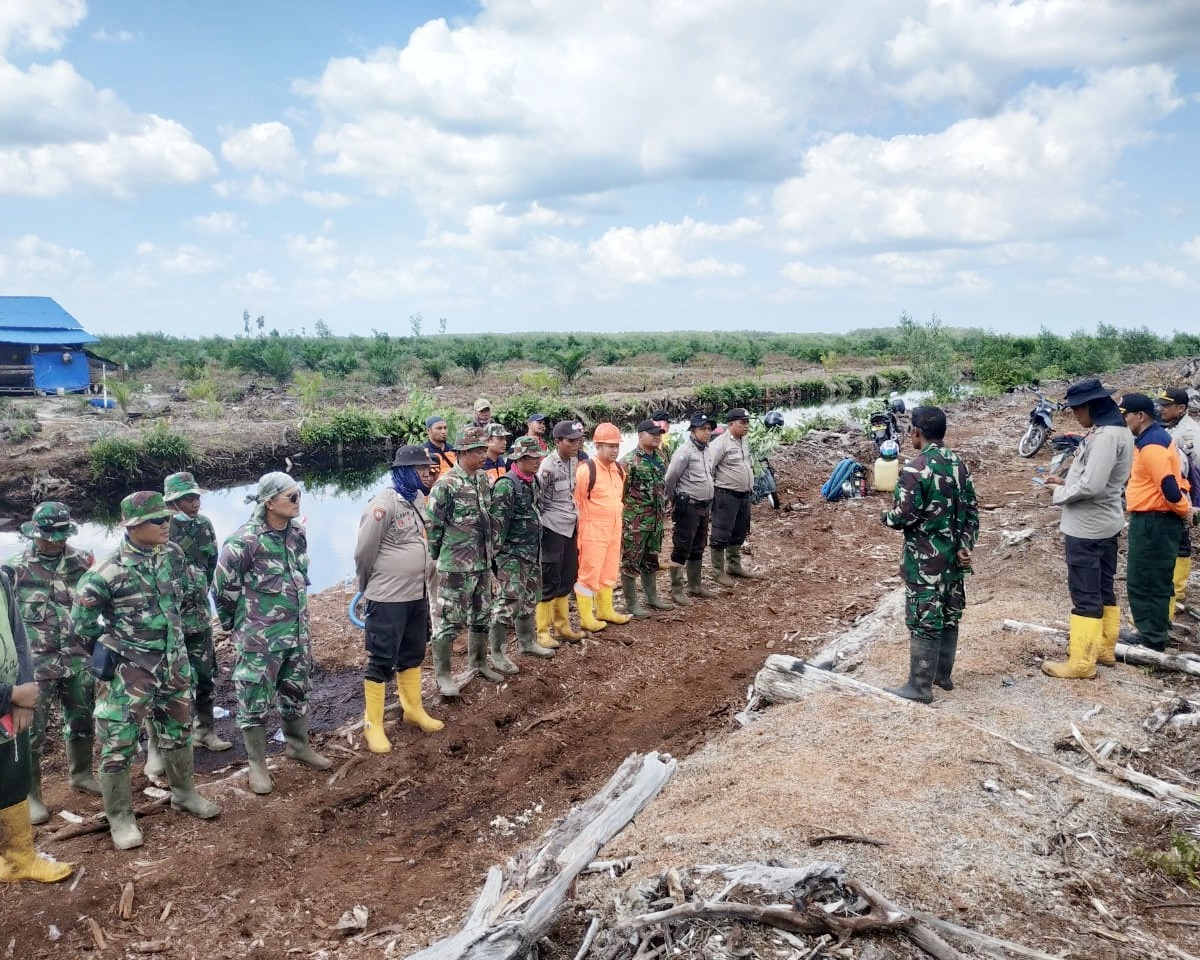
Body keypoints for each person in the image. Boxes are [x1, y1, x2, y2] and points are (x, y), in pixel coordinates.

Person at [74, 492, 219, 849]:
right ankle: (121, 818)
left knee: (178, 730)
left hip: (173, 664)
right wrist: (115, 652)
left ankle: (184, 793)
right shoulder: (106, 574)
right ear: (134, 526)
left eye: (167, 518)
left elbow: (184, 596)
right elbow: (82, 626)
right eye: (158, 521)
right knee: (119, 742)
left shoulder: (173, 556)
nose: (166, 524)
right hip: (130, 672)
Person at [214, 473, 330, 797]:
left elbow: (299, 577)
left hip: (296, 632)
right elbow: (222, 589)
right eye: (291, 497)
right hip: (259, 638)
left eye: (299, 494)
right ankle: (257, 764)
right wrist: (238, 625)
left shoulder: (297, 533)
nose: (298, 501)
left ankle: (297, 745)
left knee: (297, 689)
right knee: (254, 698)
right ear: (269, 502)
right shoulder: (243, 542)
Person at [3, 503, 97, 825]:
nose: (55, 542)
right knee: (31, 732)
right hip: (36, 666)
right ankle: (31, 796)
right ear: (35, 533)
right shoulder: (14, 569)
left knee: (83, 719)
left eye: (61, 535)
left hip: (77, 657)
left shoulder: (82, 561)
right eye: (48, 536)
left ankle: (82, 775)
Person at [881, 406, 979, 703]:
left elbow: (903, 517)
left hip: (925, 561)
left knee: (924, 617)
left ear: (917, 432)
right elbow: (972, 513)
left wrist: (885, 517)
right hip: (954, 560)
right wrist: (965, 544)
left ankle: (919, 687)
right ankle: (942, 675)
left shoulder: (915, 468)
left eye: (911, 428)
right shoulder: (958, 464)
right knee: (949, 613)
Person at [1040, 379, 1132, 678]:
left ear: (1090, 406)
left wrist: (1059, 494)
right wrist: (1065, 482)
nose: (1075, 416)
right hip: (1104, 521)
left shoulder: (1105, 437)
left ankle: (1081, 663)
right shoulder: (1117, 432)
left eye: (1077, 409)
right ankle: (1104, 650)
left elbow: (1092, 485)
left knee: (1085, 591)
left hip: (1088, 526)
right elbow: (1097, 479)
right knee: (1104, 586)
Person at [354, 446, 444, 754]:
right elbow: (364, 552)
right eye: (420, 469)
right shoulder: (383, 505)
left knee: (413, 652)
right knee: (381, 660)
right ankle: (373, 724)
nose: (427, 473)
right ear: (404, 471)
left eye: (427, 468)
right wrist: (368, 588)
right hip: (388, 597)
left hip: (415, 593)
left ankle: (413, 709)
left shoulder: (417, 499)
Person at [0, 565, 73, 882]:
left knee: (12, 779)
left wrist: (24, 693)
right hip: (7, 696)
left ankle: (20, 858)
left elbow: (18, 637)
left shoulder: (1, 580)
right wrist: (11, 695)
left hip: (9, 704)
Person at [1117, 393, 1192, 652]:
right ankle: (1154, 631)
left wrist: (1184, 511)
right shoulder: (1153, 439)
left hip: (1154, 521)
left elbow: (1169, 488)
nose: (1124, 421)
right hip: (1154, 519)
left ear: (1141, 415)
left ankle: (1151, 637)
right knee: (1153, 577)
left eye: (1126, 415)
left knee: (1146, 579)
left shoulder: (1152, 446)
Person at [163, 471, 231, 754]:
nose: (195, 503)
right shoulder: (160, 528)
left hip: (199, 617)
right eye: (187, 498)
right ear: (173, 502)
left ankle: (205, 731)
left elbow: (211, 562)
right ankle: (173, 740)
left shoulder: (204, 525)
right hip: (169, 622)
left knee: (204, 676)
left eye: (196, 497)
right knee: (171, 682)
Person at [427, 426, 497, 696]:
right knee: (448, 620)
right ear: (463, 452)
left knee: (482, 614)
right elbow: (433, 525)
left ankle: (479, 662)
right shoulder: (445, 485)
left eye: (484, 449)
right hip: (455, 565)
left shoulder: (481, 480)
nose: (484, 455)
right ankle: (443, 676)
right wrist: (440, 556)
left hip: (481, 562)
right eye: (479, 451)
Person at [488, 436, 555, 667]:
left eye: (538, 457)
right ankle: (496, 653)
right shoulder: (506, 485)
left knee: (529, 598)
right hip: (512, 557)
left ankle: (527, 642)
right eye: (532, 458)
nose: (537, 462)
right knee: (507, 603)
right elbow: (496, 528)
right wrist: (495, 562)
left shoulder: (532, 481)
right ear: (520, 459)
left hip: (532, 553)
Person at [574, 423, 632, 631]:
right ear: (597, 446)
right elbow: (576, 502)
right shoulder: (586, 471)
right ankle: (586, 618)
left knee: (608, 571)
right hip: (592, 532)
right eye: (609, 446)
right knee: (588, 575)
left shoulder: (618, 470)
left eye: (616, 446)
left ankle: (605, 610)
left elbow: (619, 498)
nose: (614, 450)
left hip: (613, 531)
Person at [535, 421, 587, 647]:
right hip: (552, 528)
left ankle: (562, 625)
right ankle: (542, 631)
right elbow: (538, 500)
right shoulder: (547, 467)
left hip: (570, 526)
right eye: (571, 441)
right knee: (549, 578)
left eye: (578, 440)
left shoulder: (574, 460)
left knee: (567, 576)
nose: (576, 444)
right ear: (557, 442)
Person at [665, 413, 720, 605]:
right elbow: (670, 479)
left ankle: (695, 585)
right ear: (693, 430)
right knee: (682, 547)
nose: (707, 432)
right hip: (688, 506)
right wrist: (674, 500)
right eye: (703, 429)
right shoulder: (684, 452)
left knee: (698, 546)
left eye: (709, 429)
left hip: (704, 506)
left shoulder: (707, 450)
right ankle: (677, 590)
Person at [620, 420, 674, 617]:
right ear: (640, 435)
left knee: (651, 559)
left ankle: (652, 597)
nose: (657, 436)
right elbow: (621, 493)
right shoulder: (629, 461)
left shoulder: (659, 457)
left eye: (659, 433)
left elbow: (663, 485)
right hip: (635, 521)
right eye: (652, 433)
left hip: (656, 520)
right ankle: (632, 604)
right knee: (631, 561)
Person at [1158, 388, 1200, 620]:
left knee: (1181, 542)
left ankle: (1178, 593)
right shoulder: (1173, 428)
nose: (1162, 409)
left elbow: (1197, 472)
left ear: (1181, 408)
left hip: (1186, 495)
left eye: (1167, 405)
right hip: (1174, 493)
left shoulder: (1191, 433)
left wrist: (1194, 504)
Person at [708, 408, 759, 586]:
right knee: (721, 533)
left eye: (747, 422)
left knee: (739, 530)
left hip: (743, 495)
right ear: (731, 424)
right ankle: (717, 571)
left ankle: (734, 565)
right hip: (725, 494)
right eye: (742, 423)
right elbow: (709, 469)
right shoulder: (720, 444)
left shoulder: (743, 440)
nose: (746, 426)